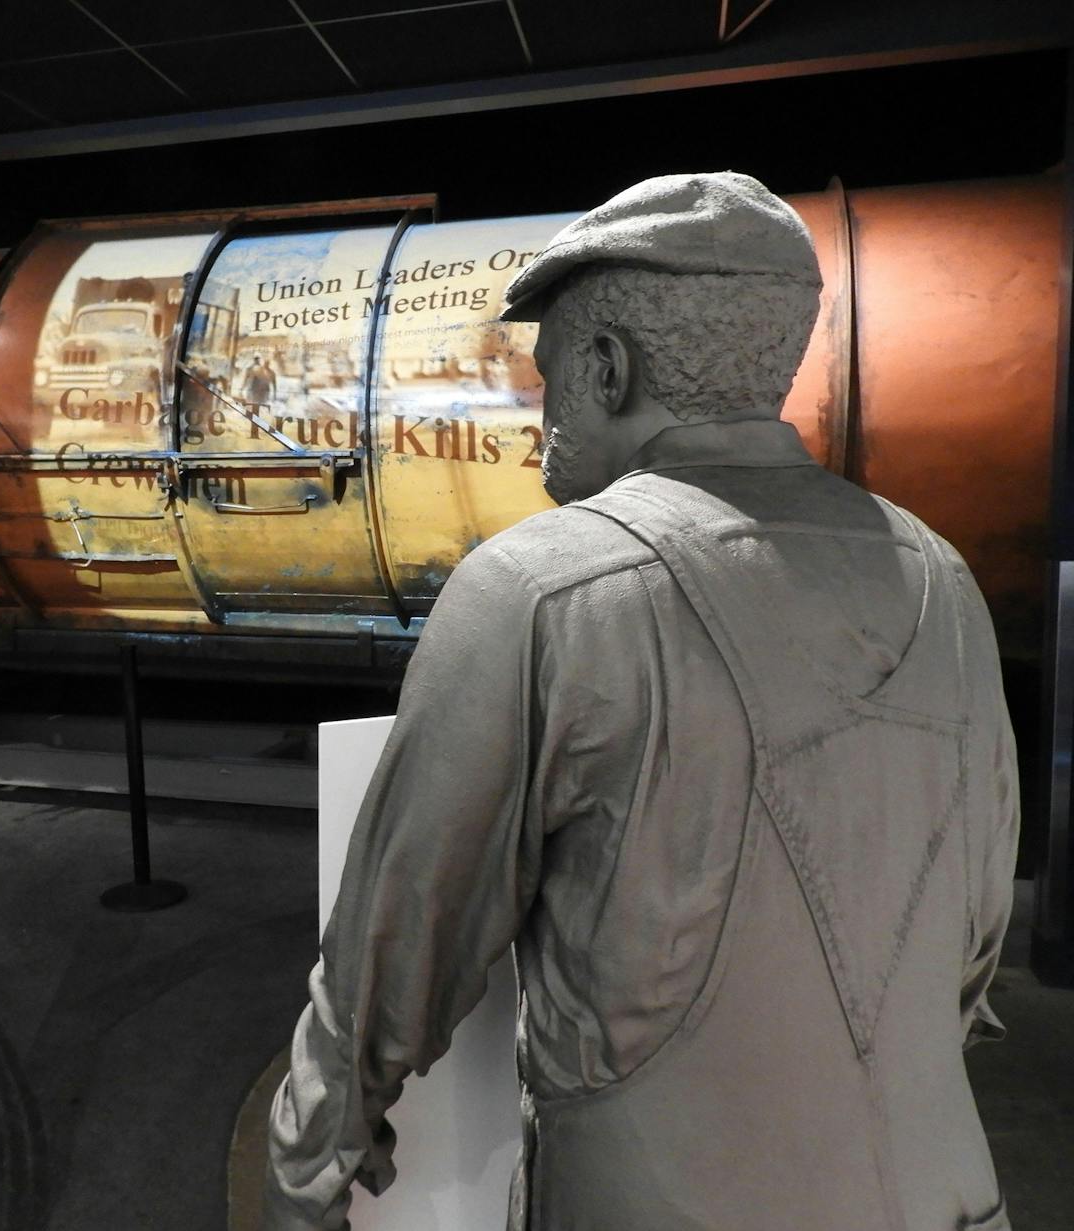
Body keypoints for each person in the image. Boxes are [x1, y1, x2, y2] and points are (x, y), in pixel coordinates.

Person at [263, 172, 1019, 1231]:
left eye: (550, 384)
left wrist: (308, 1174)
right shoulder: (943, 580)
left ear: (608, 370)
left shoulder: (541, 590)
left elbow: (395, 954)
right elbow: (974, 944)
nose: (540, 426)